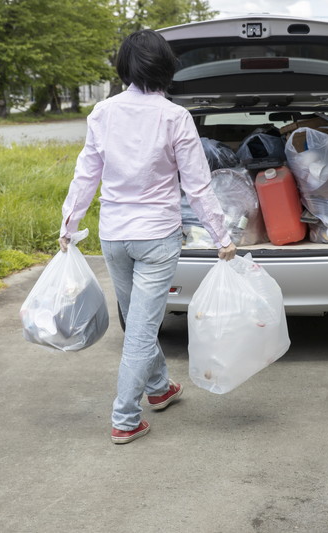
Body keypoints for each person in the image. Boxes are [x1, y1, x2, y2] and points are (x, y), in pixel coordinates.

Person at [58, 29, 236, 444]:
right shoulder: (174, 117)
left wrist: (69, 225)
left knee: (139, 322)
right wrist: (221, 237)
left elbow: (87, 174)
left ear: (125, 66)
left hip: (114, 237)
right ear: (165, 67)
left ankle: (160, 388)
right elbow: (198, 186)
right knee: (140, 329)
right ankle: (124, 417)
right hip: (157, 237)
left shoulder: (103, 112)